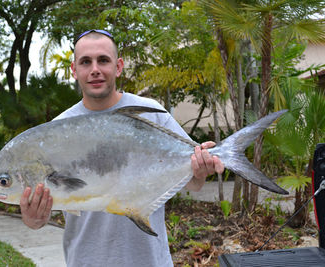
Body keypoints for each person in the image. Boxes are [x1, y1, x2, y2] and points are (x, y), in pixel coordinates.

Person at [20, 29, 224, 267]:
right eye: (86, 62)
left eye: (103, 60)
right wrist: (33, 217)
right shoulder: (58, 130)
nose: (95, 69)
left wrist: (200, 169)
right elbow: (37, 222)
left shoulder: (153, 114)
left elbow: (194, 183)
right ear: (74, 70)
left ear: (118, 67)